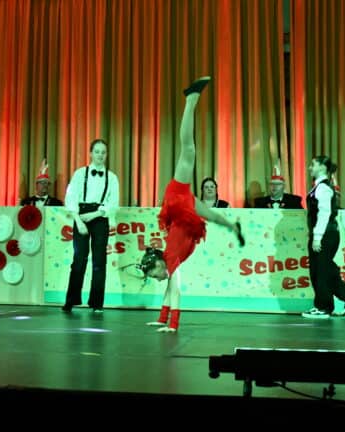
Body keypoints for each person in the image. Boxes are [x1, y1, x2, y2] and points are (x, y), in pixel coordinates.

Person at [140, 76, 245, 332]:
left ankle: (191, 99)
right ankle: (234, 227)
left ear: (159, 265)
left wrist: (173, 325)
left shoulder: (170, 258)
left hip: (177, 202)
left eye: (154, 275)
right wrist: (161, 318)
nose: (158, 279)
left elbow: (175, 289)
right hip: (184, 210)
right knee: (215, 216)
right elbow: (169, 288)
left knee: (188, 150)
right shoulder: (168, 261)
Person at [61, 139, 119, 313]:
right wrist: (79, 221)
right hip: (81, 216)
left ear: (106, 155)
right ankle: (71, 300)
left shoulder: (112, 177)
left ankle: (96, 303)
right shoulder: (79, 174)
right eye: (97, 152)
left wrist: (94, 215)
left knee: (99, 261)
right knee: (79, 258)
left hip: (100, 217)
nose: (100, 155)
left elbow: (113, 204)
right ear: (91, 153)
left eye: (103, 152)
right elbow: (70, 198)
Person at [301, 155, 345, 319]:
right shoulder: (319, 187)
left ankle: (325, 306)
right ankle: (343, 299)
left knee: (321, 271)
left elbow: (324, 213)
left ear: (322, 167)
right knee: (323, 269)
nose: (310, 167)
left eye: (313, 164)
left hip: (326, 234)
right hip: (324, 234)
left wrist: (317, 236)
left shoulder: (323, 188)